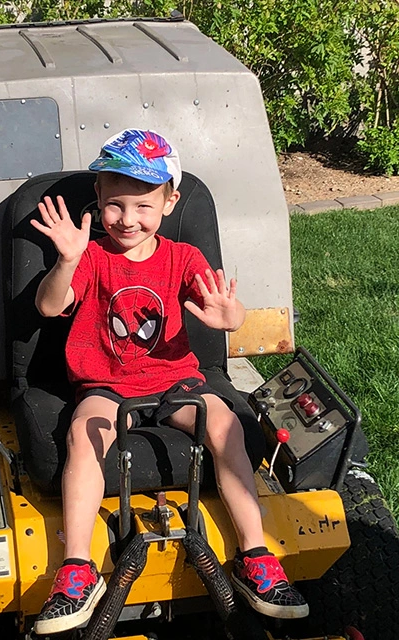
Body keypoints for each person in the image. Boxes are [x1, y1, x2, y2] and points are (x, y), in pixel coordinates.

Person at [31, 129, 308, 635]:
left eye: (142, 205)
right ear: (98, 199)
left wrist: (231, 316)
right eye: (115, 205)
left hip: (174, 379)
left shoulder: (182, 257)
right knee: (82, 434)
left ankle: (256, 555)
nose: (127, 219)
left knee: (225, 425)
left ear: (169, 201)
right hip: (106, 385)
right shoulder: (90, 257)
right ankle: (76, 569)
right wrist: (67, 259)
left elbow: (224, 305)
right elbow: (49, 306)